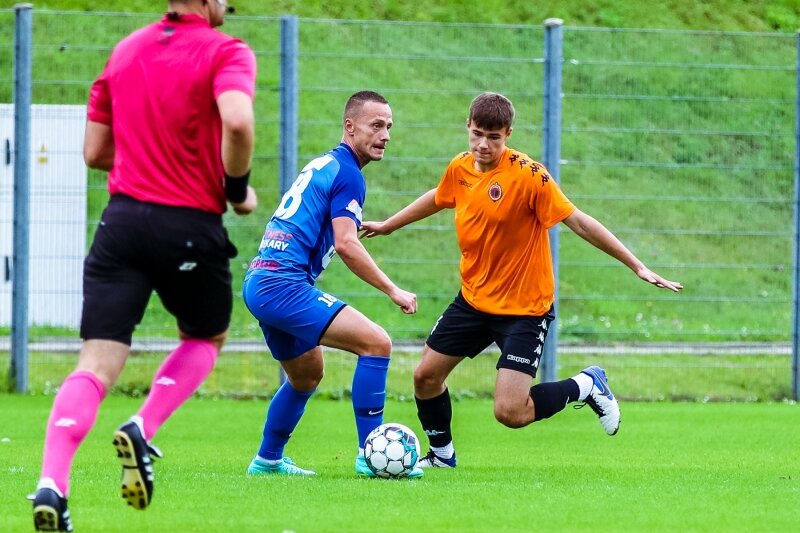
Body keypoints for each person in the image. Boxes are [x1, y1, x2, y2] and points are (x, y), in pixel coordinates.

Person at [360, 92, 683, 469]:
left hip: (525, 310)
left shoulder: (529, 176)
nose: (483, 144)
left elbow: (579, 222)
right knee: (425, 377)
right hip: (474, 301)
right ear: (467, 126)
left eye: (494, 137)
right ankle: (443, 455)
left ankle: (587, 385)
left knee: (510, 412)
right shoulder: (460, 167)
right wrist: (389, 225)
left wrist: (636, 265)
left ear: (508, 134)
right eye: (477, 134)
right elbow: (439, 196)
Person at [29, 1, 257, 530]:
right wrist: (235, 189)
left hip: (121, 224)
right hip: (189, 224)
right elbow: (238, 121)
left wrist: (149, 156)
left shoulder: (126, 50)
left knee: (94, 365)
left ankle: (52, 483)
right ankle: (143, 426)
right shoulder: (226, 51)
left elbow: (94, 151)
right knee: (206, 336)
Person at [242, 90, 422, 479]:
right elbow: (346, 244)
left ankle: (267, 460)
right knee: (377, 343)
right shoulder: (349, 174)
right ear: (349, 126)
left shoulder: (327, 163)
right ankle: (371, 455)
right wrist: (393, 289)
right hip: (282, 284)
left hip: (261, 281)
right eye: (376, 125)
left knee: (306, 374)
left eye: (389, 127)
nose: (385, 135)